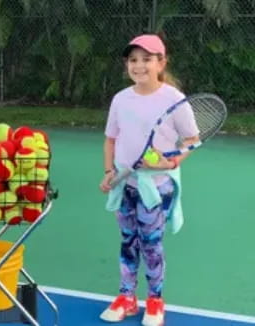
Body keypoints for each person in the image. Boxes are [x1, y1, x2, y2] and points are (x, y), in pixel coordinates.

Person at [99, 34, 199, 326]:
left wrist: (171, 161)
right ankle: (127, 297)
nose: (139, 65)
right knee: (128, 241)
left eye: (147, 59)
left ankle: (155, 300)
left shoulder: (174, 100)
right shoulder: (121, 99)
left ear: (161, 63)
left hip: (157, 187)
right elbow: (110, 140)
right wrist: (109, 173)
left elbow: (192, 140)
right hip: (126, 184)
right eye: (133, 60)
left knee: (151, 244)